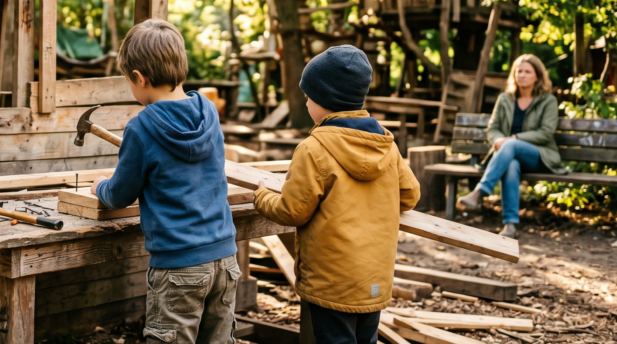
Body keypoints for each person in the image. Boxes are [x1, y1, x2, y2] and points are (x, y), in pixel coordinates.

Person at [252, 45, 420, 344]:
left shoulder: (313, 149)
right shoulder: (386, 145)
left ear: (326, 99)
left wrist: (262, 196)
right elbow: (409, 195)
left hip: (330, 284)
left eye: (308, 97)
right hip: (373, 281)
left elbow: (292, 211)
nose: (305, 104)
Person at [92, 19, 240, 344]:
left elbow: (118, 195)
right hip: (225, 258)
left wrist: (100, 186)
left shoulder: (141, 127)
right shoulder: (209, 112)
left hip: (179, 267)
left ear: (139, 78)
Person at [457, 54, 568, 238]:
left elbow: (546, 132)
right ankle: (510, 226)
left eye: (527, 71)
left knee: (511, 145)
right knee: (511, 164)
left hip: (539, 156)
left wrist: (513, 138)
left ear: (537, 77)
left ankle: (480, 191)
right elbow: (493, 129)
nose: (522, 75)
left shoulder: (548, 101)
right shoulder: (505, 99)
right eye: (519, 71)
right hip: (509, 156)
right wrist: (499, 139)